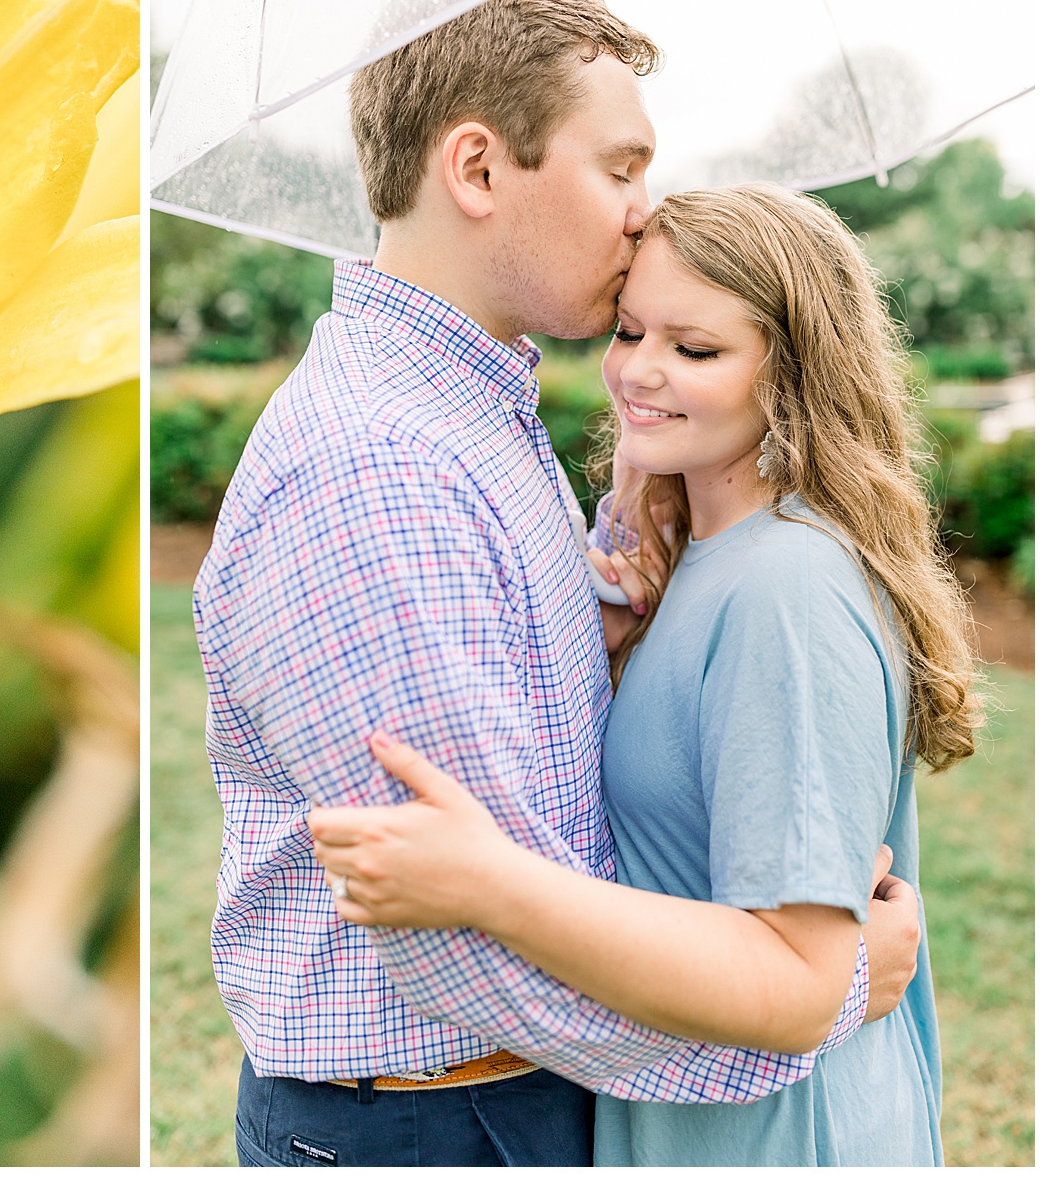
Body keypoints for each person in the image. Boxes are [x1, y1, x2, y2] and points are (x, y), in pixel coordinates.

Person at [192, 0, 922, 1168]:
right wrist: (824, 993)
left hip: (492, 1099)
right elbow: (472, 948)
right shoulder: (381, 469)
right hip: (440, 1114)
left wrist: (601, 636)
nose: (646, 212)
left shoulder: (474, 406)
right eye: (621, 166)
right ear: (478, 170)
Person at [309, 183, 975, 1164]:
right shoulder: (708, 564)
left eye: (694, 349)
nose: (639, 373)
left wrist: (489, 883)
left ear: (793, 373)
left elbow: (801, 976)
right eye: (628, 332)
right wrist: (616, 663)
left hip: (776, 1139)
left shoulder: (787, 585)